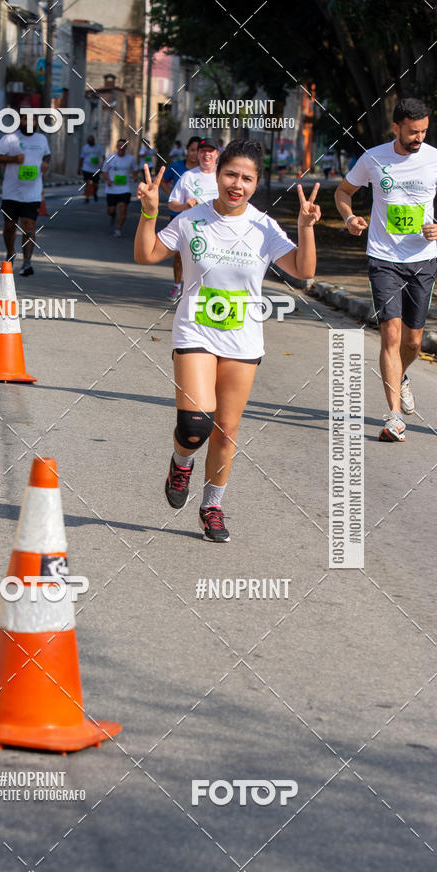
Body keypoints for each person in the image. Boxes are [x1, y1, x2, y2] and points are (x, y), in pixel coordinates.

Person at [135, 140, 321, 542]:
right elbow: (146, 254)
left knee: (225, 430)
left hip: (243, 340)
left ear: (256, 183)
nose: (237, 184)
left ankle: (212, 506)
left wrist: (305, 229)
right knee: (194, 424)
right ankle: (181, 460)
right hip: (195, 333)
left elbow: (303, 270)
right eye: (231, 174)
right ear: (217, 174)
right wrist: (149, 212)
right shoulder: (192, 221)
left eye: (247, 178)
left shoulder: (264, 227)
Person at [334, 97, 437, 442]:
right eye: (412, 132)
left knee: (413, 340)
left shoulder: (434, 159)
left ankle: (401, 375)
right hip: (383, 258)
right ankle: (394, 417)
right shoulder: (374, 158)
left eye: (423, 131)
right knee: (391, 335)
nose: (418, 138)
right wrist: (349, 218)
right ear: (396, 127)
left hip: (422, 259)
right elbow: (343, 192)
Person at [0, 112, 51, 277]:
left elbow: (47, 154)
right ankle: (10, 252)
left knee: (29, 226)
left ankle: (27, 262)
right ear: (20, 121)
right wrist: (12, 159)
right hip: (11, 192)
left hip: (32, 193)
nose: (29, 122)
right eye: (26, 118)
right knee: (9, 226)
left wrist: (46, 162)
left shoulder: (41, 139)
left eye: (33, 119)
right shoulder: (9, 138)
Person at [160, 135, 201, 299]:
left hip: (199, 220)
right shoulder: (177, 166)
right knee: (178, 253)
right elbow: (163, 181)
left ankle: (195, 288)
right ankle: (177, 285)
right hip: (178, 216)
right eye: (192, 150)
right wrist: (173, 195)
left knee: (197, 255)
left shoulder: (206, 172)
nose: (195, 154)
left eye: (198, 150)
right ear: (187, 150)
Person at [168, 137, 220, 213]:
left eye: (210, 151)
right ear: (198, 154)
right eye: (203, 151)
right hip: (193, 223)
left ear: (217, 154)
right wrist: (185, 206)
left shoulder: (225, 174)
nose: (206, 154)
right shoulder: (188, 176)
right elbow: (172, 204)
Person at [102, 139, 138, 238]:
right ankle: (112, 215)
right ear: (116, 147)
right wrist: (108, 180)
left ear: (126, 147)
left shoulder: (131, 159)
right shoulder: (110, 158)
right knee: (111, 210)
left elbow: (135, 169)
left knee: (123, 207)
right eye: (119, 145)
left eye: (123, 146)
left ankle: (118, 228)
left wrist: (135, 176)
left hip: (124, 189)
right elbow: (104, 171)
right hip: (112, 189)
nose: (121, 147)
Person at [78, 135, 104, 203]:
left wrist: (104, 165)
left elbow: (103, 156)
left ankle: (95, 193)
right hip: (86, 168)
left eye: (91, 141)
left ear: (93, 141)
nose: (89, 142)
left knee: (95, 184)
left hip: (95, 169)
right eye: (88, 141)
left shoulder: (98, 147)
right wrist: (79, 167)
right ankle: (87, 198)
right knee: (87, 183)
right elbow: (81, 158)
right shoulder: (85, 148)